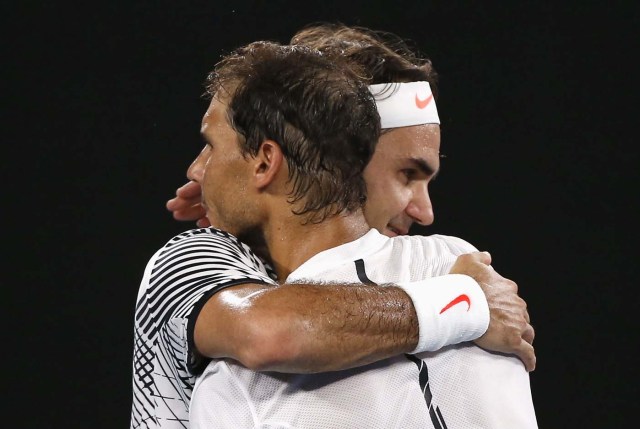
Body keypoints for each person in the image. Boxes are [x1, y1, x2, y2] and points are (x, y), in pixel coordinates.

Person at [132, 26, 534, 429]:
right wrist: (462, 302)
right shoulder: (463, 275)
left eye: (213, 147)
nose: (425, 210)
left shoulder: (244, 386)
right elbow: (270, 331)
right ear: (351, 158)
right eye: (406, 173)